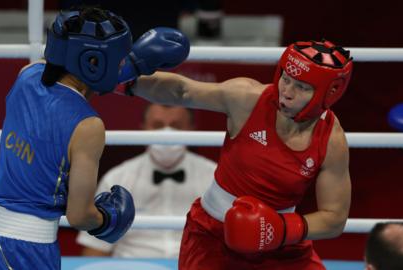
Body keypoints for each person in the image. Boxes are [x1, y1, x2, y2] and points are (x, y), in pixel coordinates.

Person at [0, 6, 190, 270]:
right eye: (119, 58)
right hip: (28, 252)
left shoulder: (26, 76)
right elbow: (79, 215)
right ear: (93, 62)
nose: (122, 62)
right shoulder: (88, 126)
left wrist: (131, 66)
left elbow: (66, 75)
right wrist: (108, 220)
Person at [113, 39, 353, 269]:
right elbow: (182, 92)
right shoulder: (247, 99)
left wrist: (278, 229)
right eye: (286, 79)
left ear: (328, 93)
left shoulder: (331, 140)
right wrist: (116, 77)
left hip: (283, 244)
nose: (286, 92)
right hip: (211, 237)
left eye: (301, 87)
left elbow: (334, 219)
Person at [76, 104, 216, 258]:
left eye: (176, 126)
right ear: (143, 128)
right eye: (157, 125)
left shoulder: (213, 176)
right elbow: (96, 248)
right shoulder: (117, 177)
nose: (166, 133)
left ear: (191, 129)